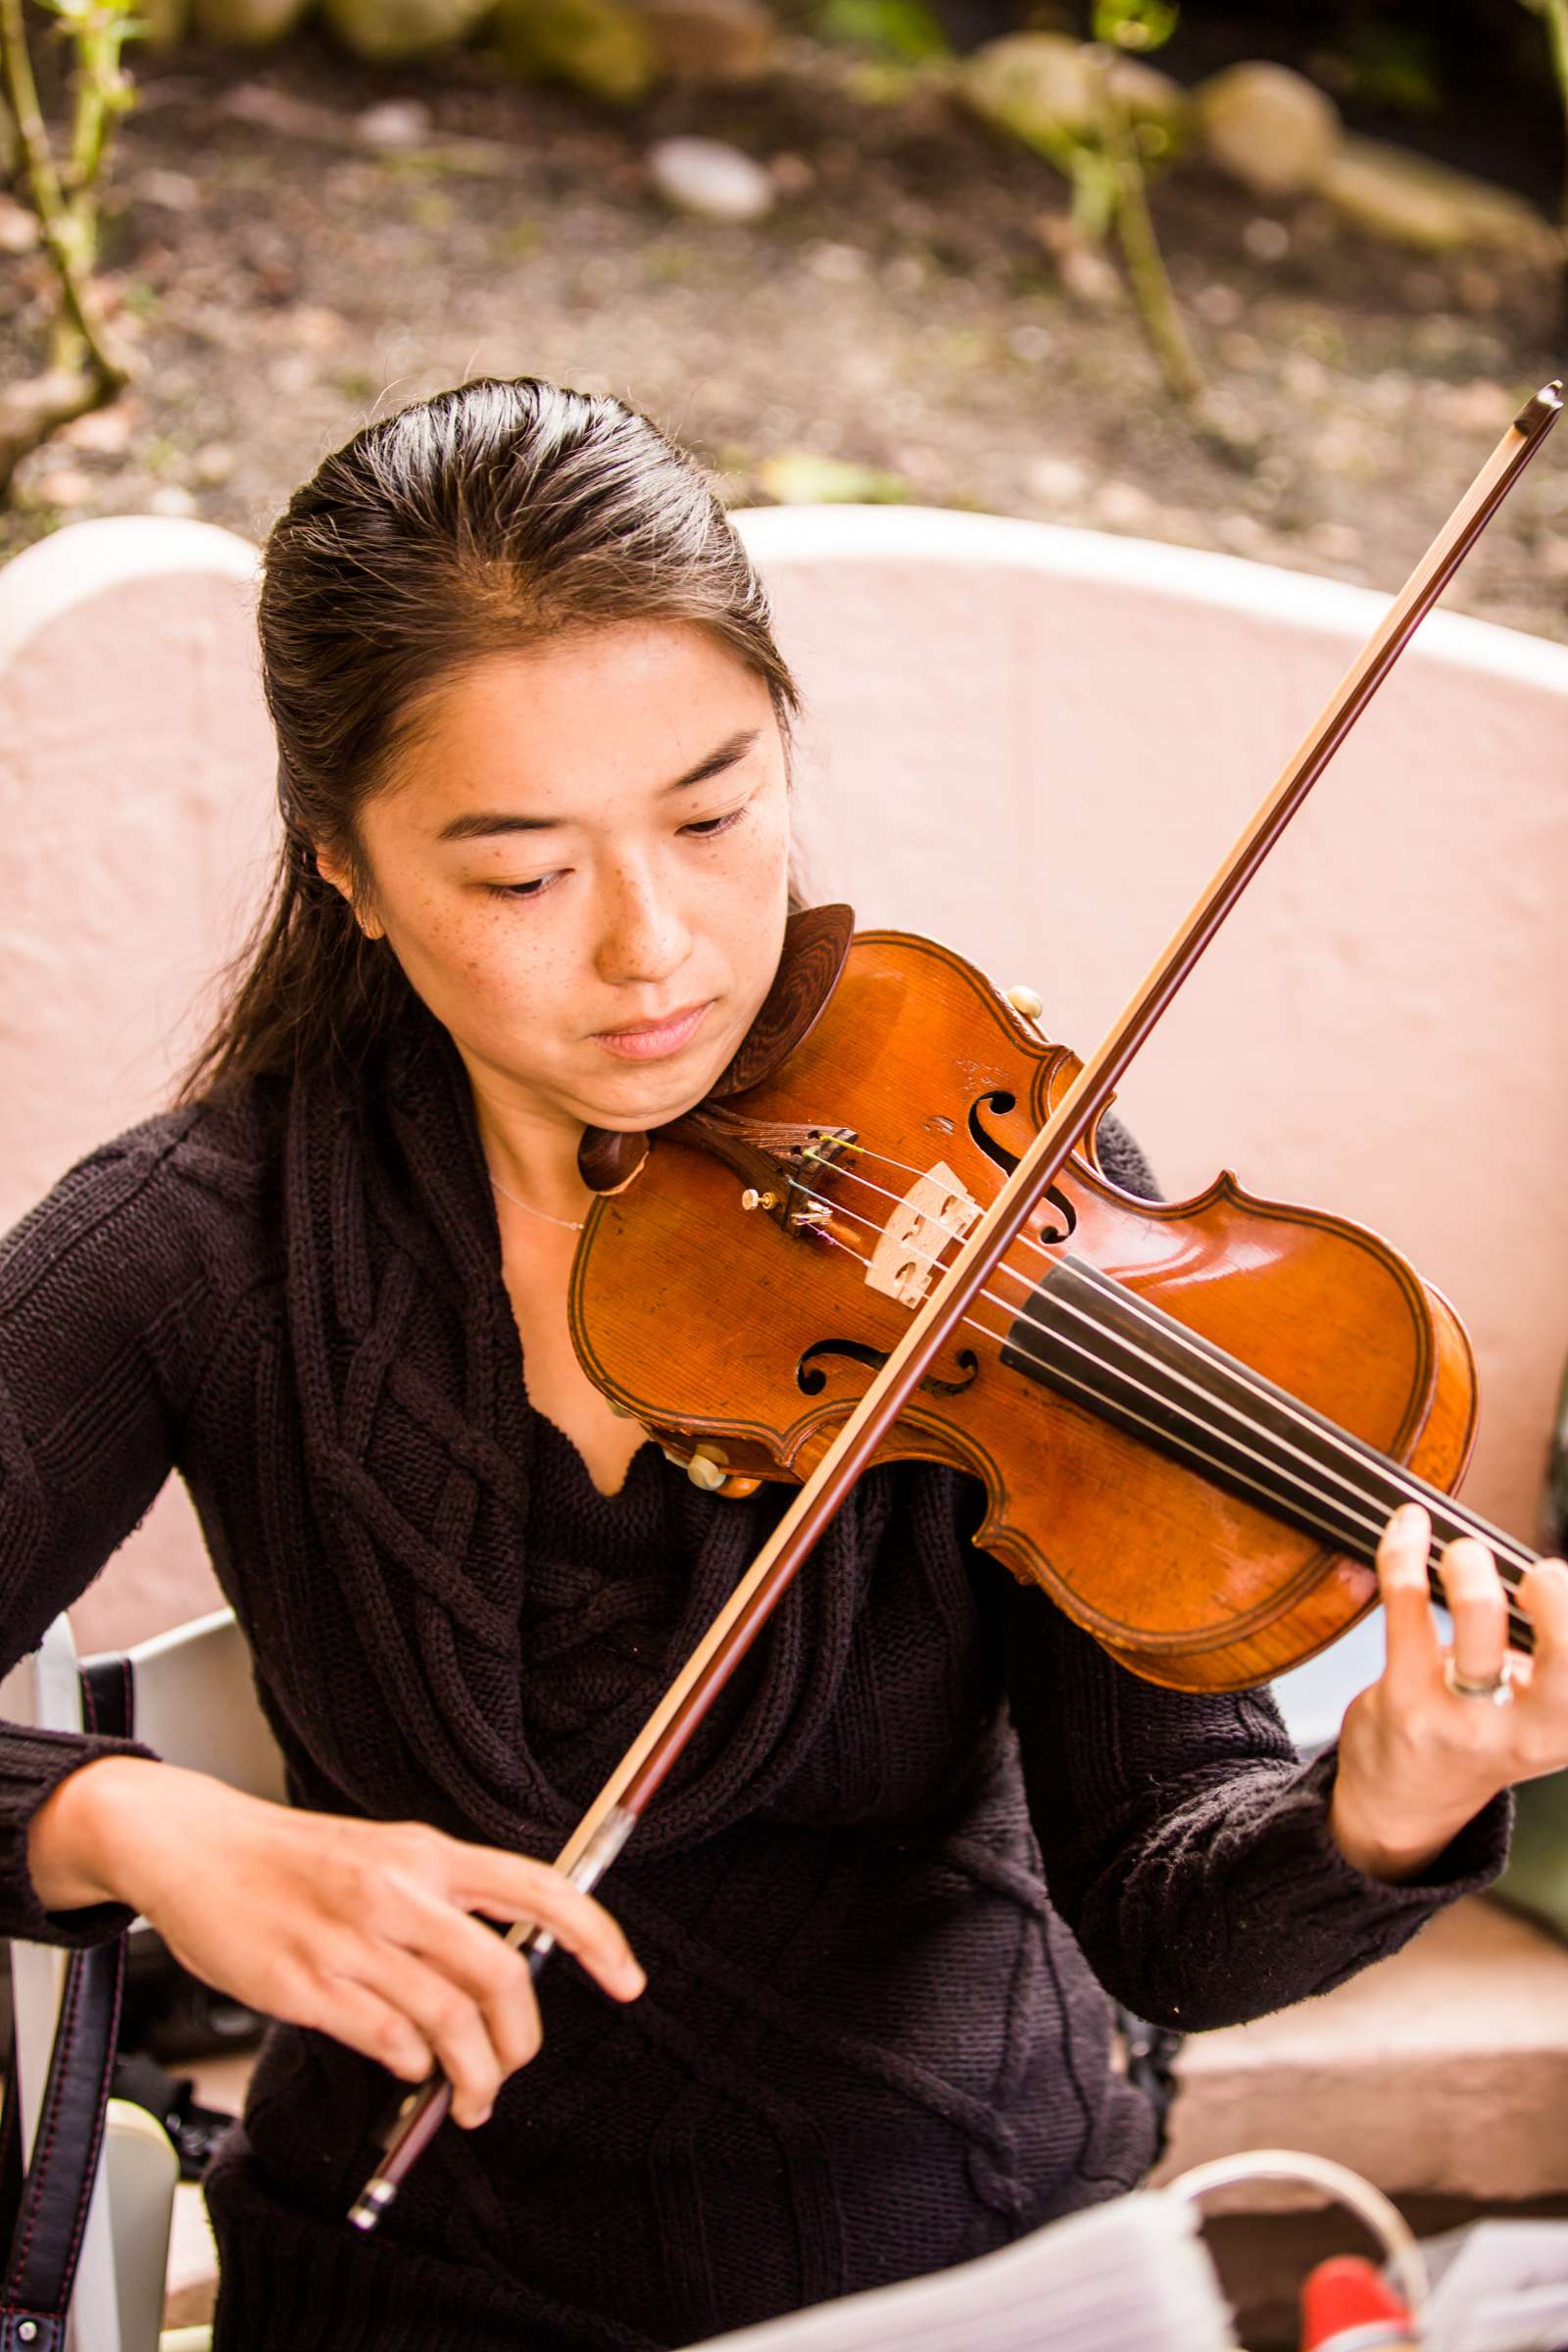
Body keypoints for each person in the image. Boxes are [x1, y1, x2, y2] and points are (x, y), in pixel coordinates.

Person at [1, 375, 1563, 2352]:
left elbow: (1165, 1910)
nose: (654, 945)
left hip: (974, 2263)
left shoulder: (1003, 1178)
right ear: (345, 869)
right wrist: (118, 1822)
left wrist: (1382, 1803)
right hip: (412, 2275)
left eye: (716, 812)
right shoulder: (210, 1240)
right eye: (517, 875)